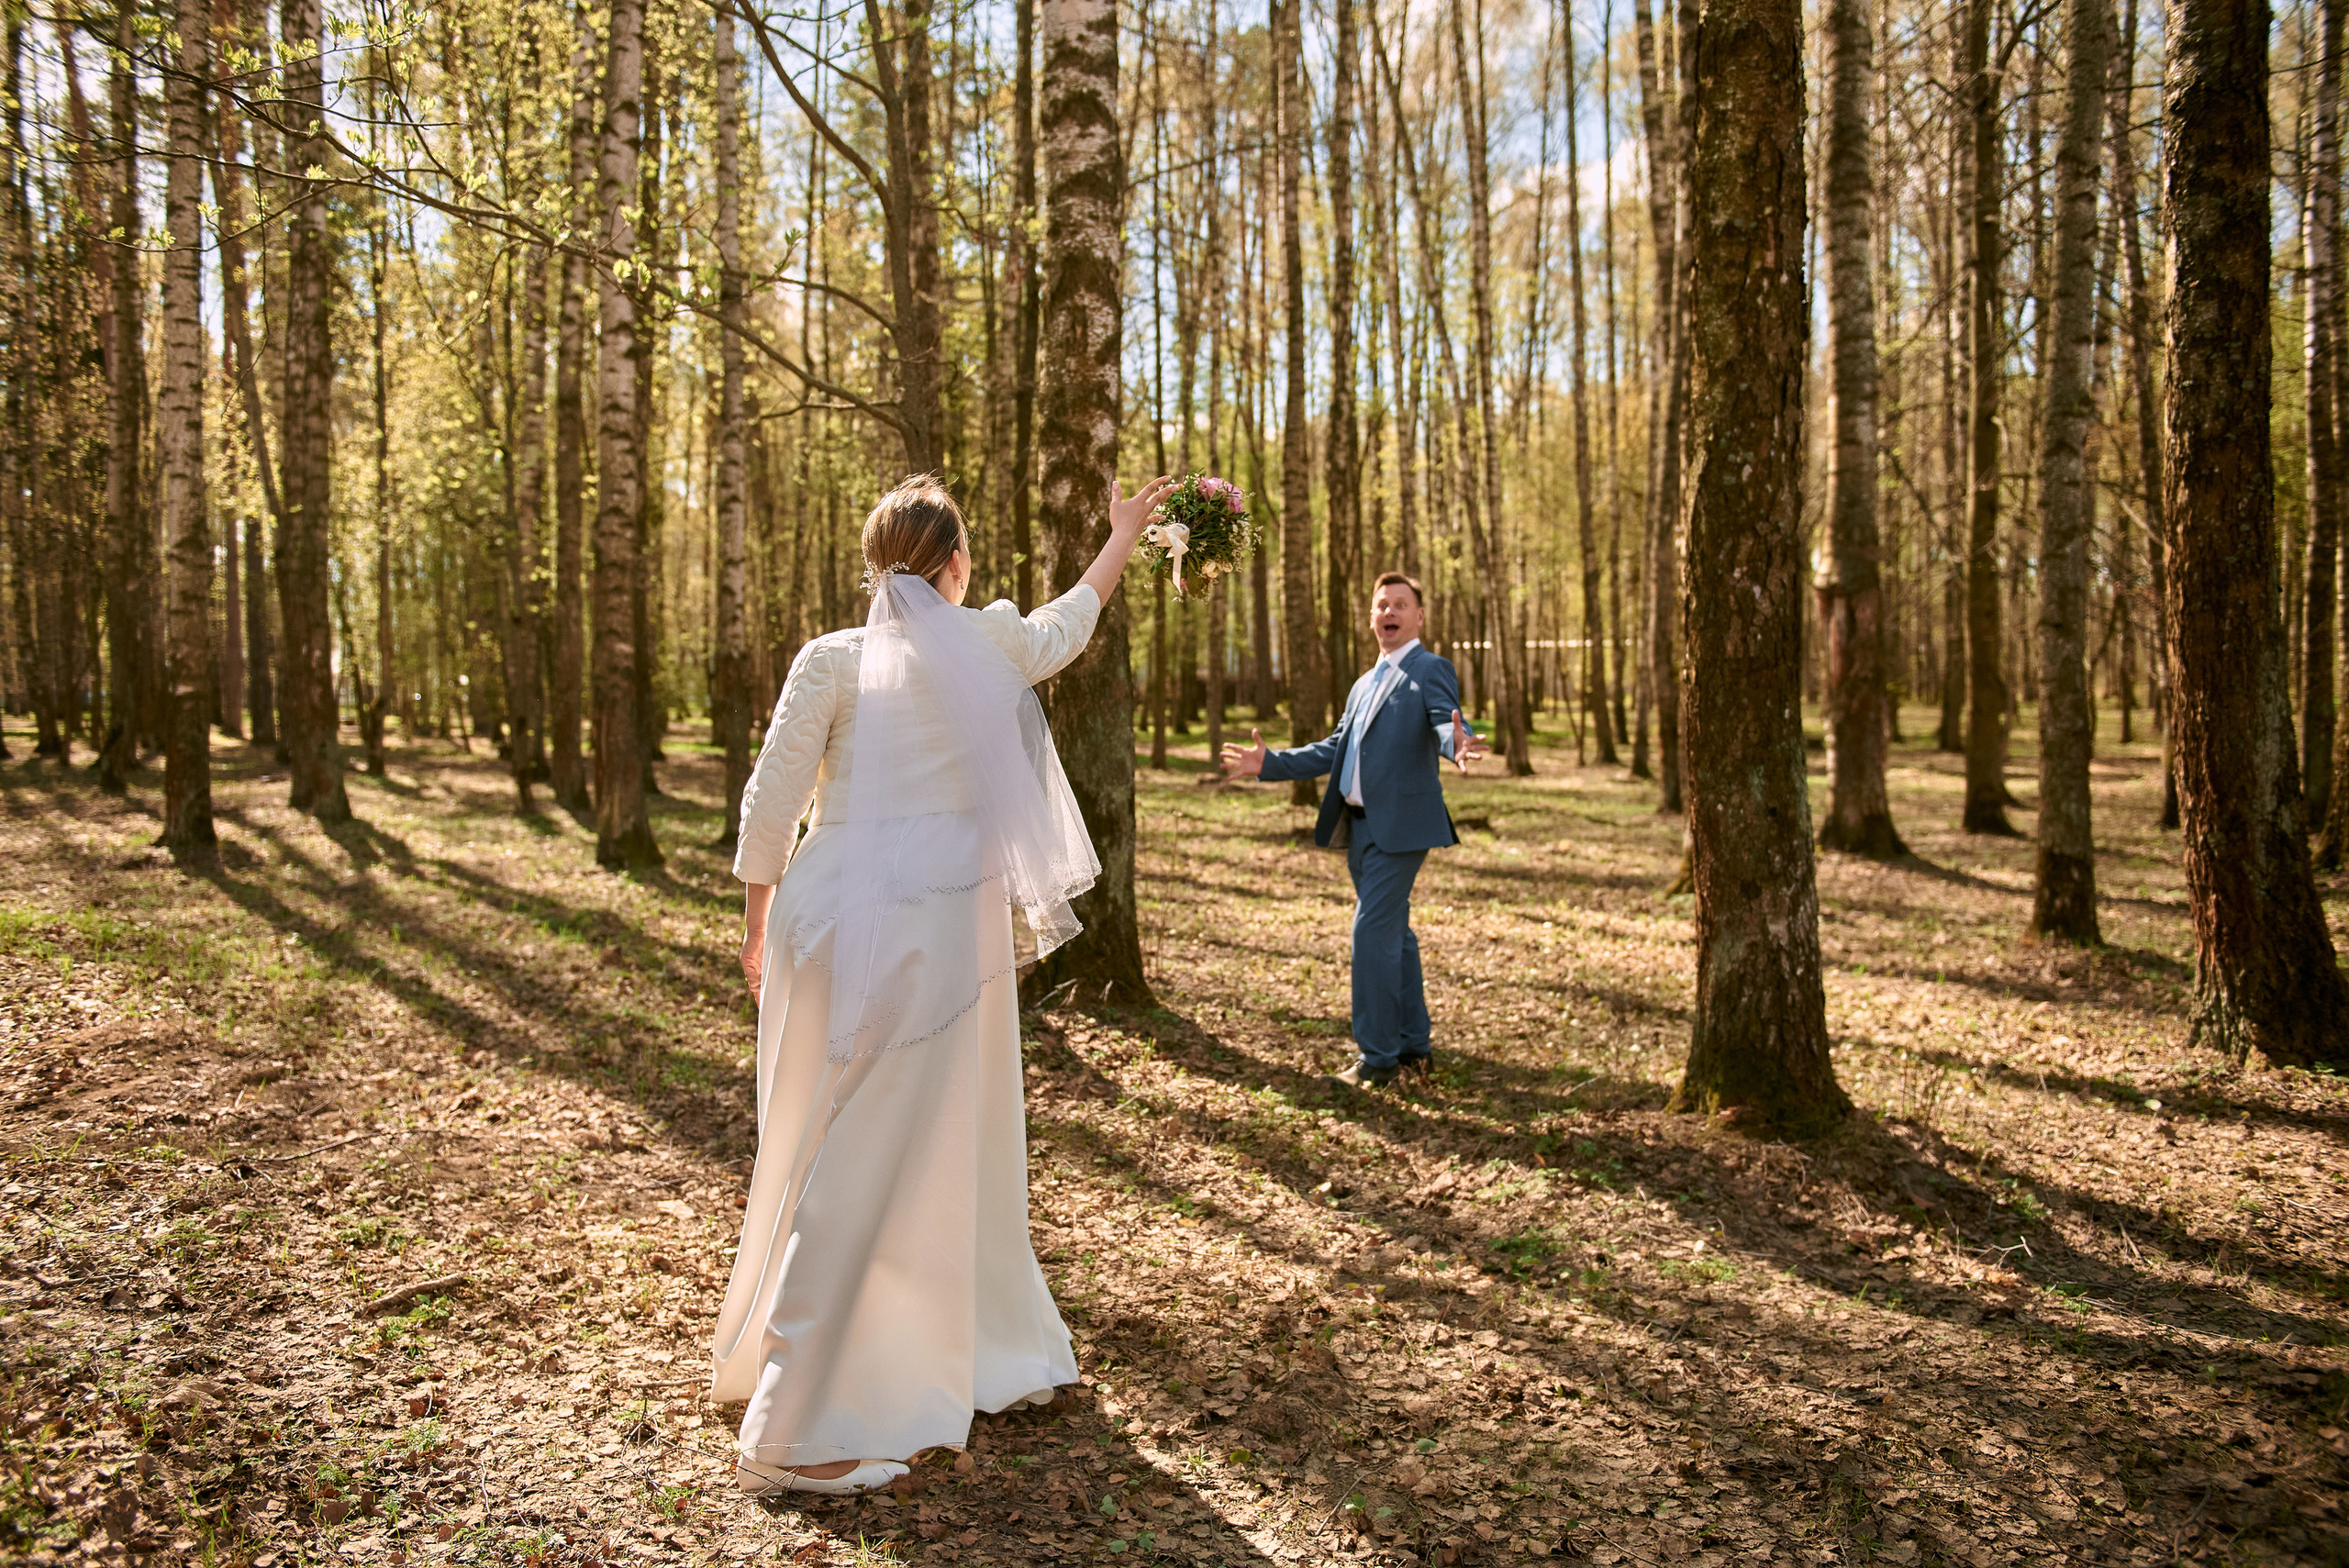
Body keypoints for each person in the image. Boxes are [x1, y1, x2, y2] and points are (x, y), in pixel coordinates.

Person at [713, 472, 1173, 1496]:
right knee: (880, 1155)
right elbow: (1073, 621)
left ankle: (930, 1346)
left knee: (823, 1137)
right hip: (928, 936)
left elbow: (770, 799)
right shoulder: (990, 644)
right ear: (955, 565)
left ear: (873, 570)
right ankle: (795, 1427)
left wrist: (755, 924)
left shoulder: (828, 661)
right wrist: (1123, 535)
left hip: (820, 919)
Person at [1220, 572, 1484, 1088]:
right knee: (1394, 937)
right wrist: (1270, 763)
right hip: (1358, 829)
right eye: (1381, 604)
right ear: (1371, 617)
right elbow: (1332, 749)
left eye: (1401, 604)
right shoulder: (1365, 684)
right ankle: (1414, 1045)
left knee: (1371, 933)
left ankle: (1378, 1059)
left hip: (1404, 829)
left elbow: (1444, 722)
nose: (1390, 611)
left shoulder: (1432, 669)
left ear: (1419, 616)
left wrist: (1459, 743)